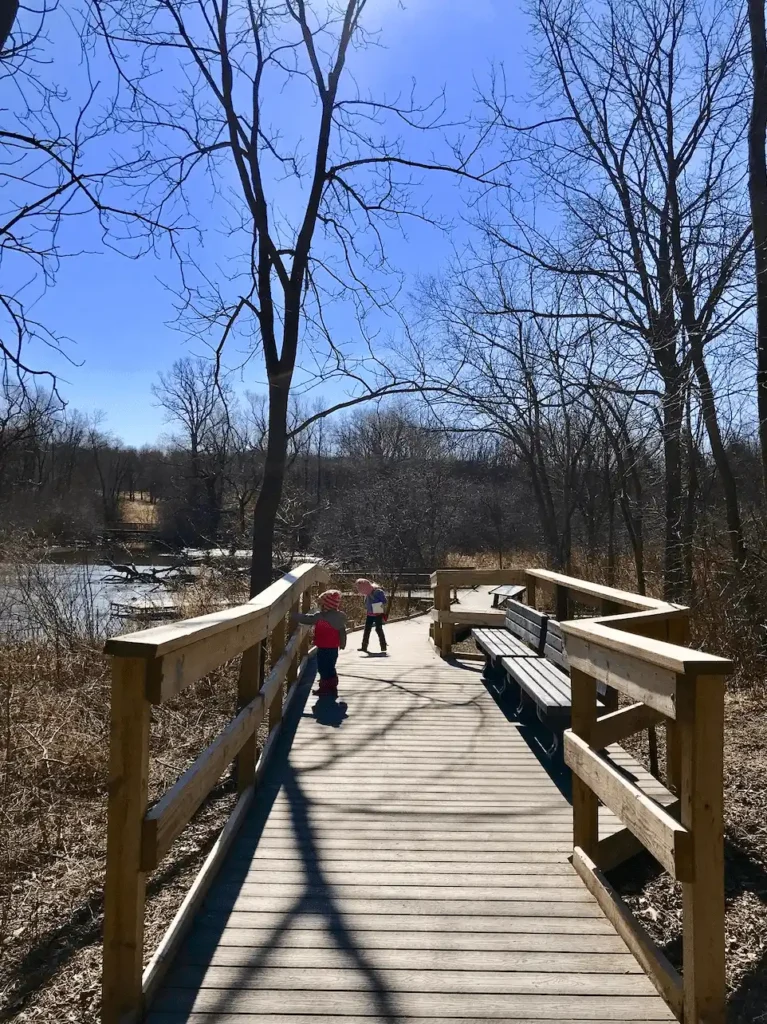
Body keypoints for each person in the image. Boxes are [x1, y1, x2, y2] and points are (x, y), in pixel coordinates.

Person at [295, 589, 347, 698]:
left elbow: (307, 619)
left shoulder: (320, 616)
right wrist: (342, 643)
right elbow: (342, 632)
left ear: (326, 605)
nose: (320, 606)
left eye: (321, 604)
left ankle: (324, 687)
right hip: (333, 647)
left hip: (323, 646)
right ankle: (332, 685)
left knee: (323, 667)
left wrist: (295, 616)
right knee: (330, 666)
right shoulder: (339, 616)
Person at [356, 578, 388, 653]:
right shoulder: (367, 594)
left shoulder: (378, 591)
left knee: (378, 629)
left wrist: (375, 600)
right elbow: (366, 602)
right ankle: (364, 646)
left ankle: (383, 646)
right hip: (370, 612)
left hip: (377, 612)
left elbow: (384, 601)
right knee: (367, 629)